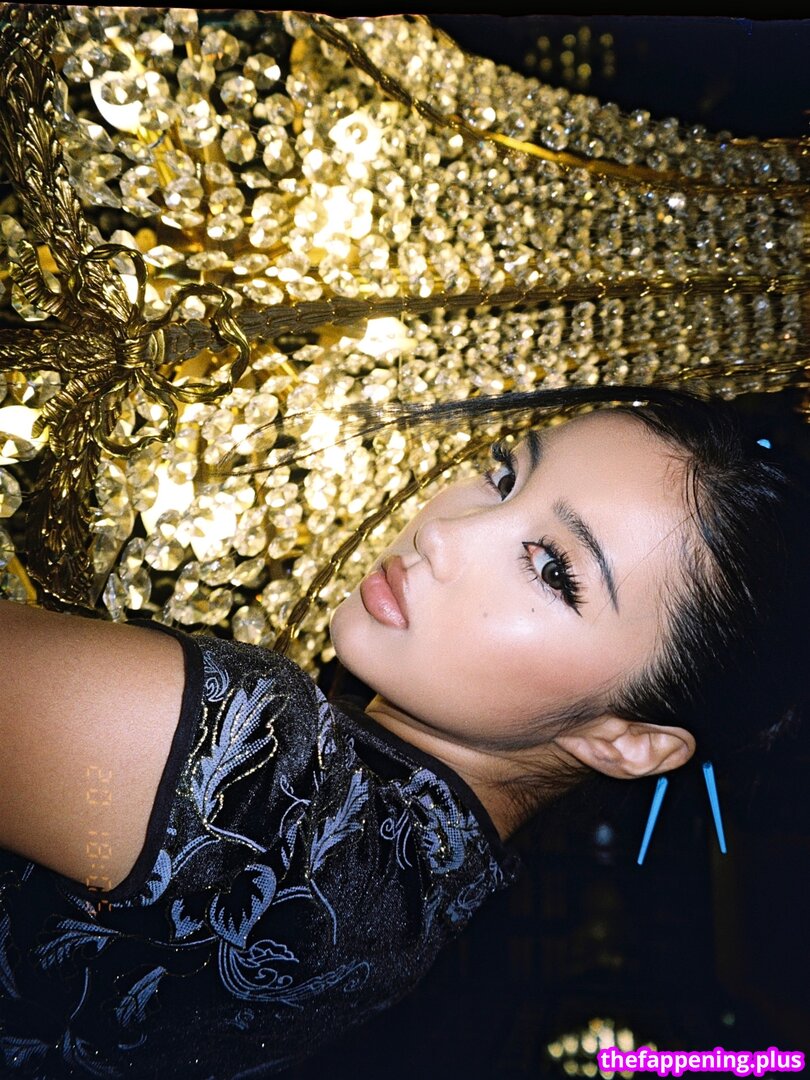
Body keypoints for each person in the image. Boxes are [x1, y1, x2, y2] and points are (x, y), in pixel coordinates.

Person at [0, 385, 807, 1078]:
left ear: (626, 740)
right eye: (503, 476)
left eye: (554, 570)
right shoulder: (405, 911)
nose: (442, 532)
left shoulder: (260, 768)